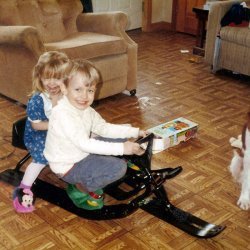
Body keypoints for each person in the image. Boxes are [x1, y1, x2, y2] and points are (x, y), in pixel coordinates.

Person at [44, 59, 148, 210]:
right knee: (118, 168)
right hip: (68, 165)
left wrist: (134, 132)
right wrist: (122, 149)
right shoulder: (63, 114)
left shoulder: (86, 110)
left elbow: (103, 128)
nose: (84, 96)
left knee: (121, 138)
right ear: (64, 88)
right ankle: (80, 189)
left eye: (90, 90)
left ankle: (108, 161)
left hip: (80, 153)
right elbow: (85, 144)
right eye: (78, 89)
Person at [13, 51, 71, 213]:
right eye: (47, 78)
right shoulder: (37, 100)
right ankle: (24, 188)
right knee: (41, 158)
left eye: (57, 78)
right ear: (39, 77)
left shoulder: (66, 94)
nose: (52, 83)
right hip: (40, 134)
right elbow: (37, 126)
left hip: (59, 130)